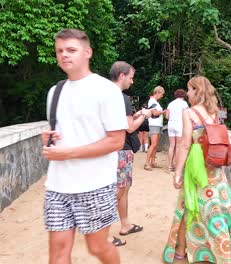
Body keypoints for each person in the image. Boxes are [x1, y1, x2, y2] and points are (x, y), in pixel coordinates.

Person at [41, 29, 127, 264]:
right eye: (60, 50)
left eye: (71, 50)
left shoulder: (106, 90)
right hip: (58, 185)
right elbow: (64, 132)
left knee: (97, 248)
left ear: (87, 52)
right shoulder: (54, 92)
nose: (64, 55)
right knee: (57, 252)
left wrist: (67, 153)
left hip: (95, 185)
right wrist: (48, 138)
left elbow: (116, 140)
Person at [162, 76, 231, 263]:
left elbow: (185, 145)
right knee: (218, 208)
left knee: (188, 207)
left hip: (196, 169)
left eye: (190, 89)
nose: (188, 93)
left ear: (197, 91)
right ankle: (225, 251)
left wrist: (177, 173)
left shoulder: (189, 113)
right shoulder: (214, 113)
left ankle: (180, 251)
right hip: (214, 168)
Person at [108, 61, 152, 246]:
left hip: (111, 149)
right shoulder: (121, 98)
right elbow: (130, 127)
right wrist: (144, 115)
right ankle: (102, 234)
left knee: (124, 189)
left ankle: (125, 224)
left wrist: (135, 115)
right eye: (131, 78)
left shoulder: (104, 95)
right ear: (122, 76)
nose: (132, 82)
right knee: (117, 191)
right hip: (120, 151)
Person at [165, 89, 189, 171]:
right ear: (183, 96)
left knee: (171, 145)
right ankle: (177, 164)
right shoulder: (184, 104)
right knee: (178, 146)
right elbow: (186, 116)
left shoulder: (171, 103)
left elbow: (167, 116)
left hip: (171, 124)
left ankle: (169, 165)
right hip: (179, 124)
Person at [144, 86, 166, 171]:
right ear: (158, 92)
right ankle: (147, 163)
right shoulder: (152, 101)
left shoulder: (155, 102)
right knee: (153, 144)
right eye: (161, 94)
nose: (162, 96)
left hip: (158, 125)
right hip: (154, 125)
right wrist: (163, 112)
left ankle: (153, 162)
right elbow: (154, 113)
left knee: (155, 144)